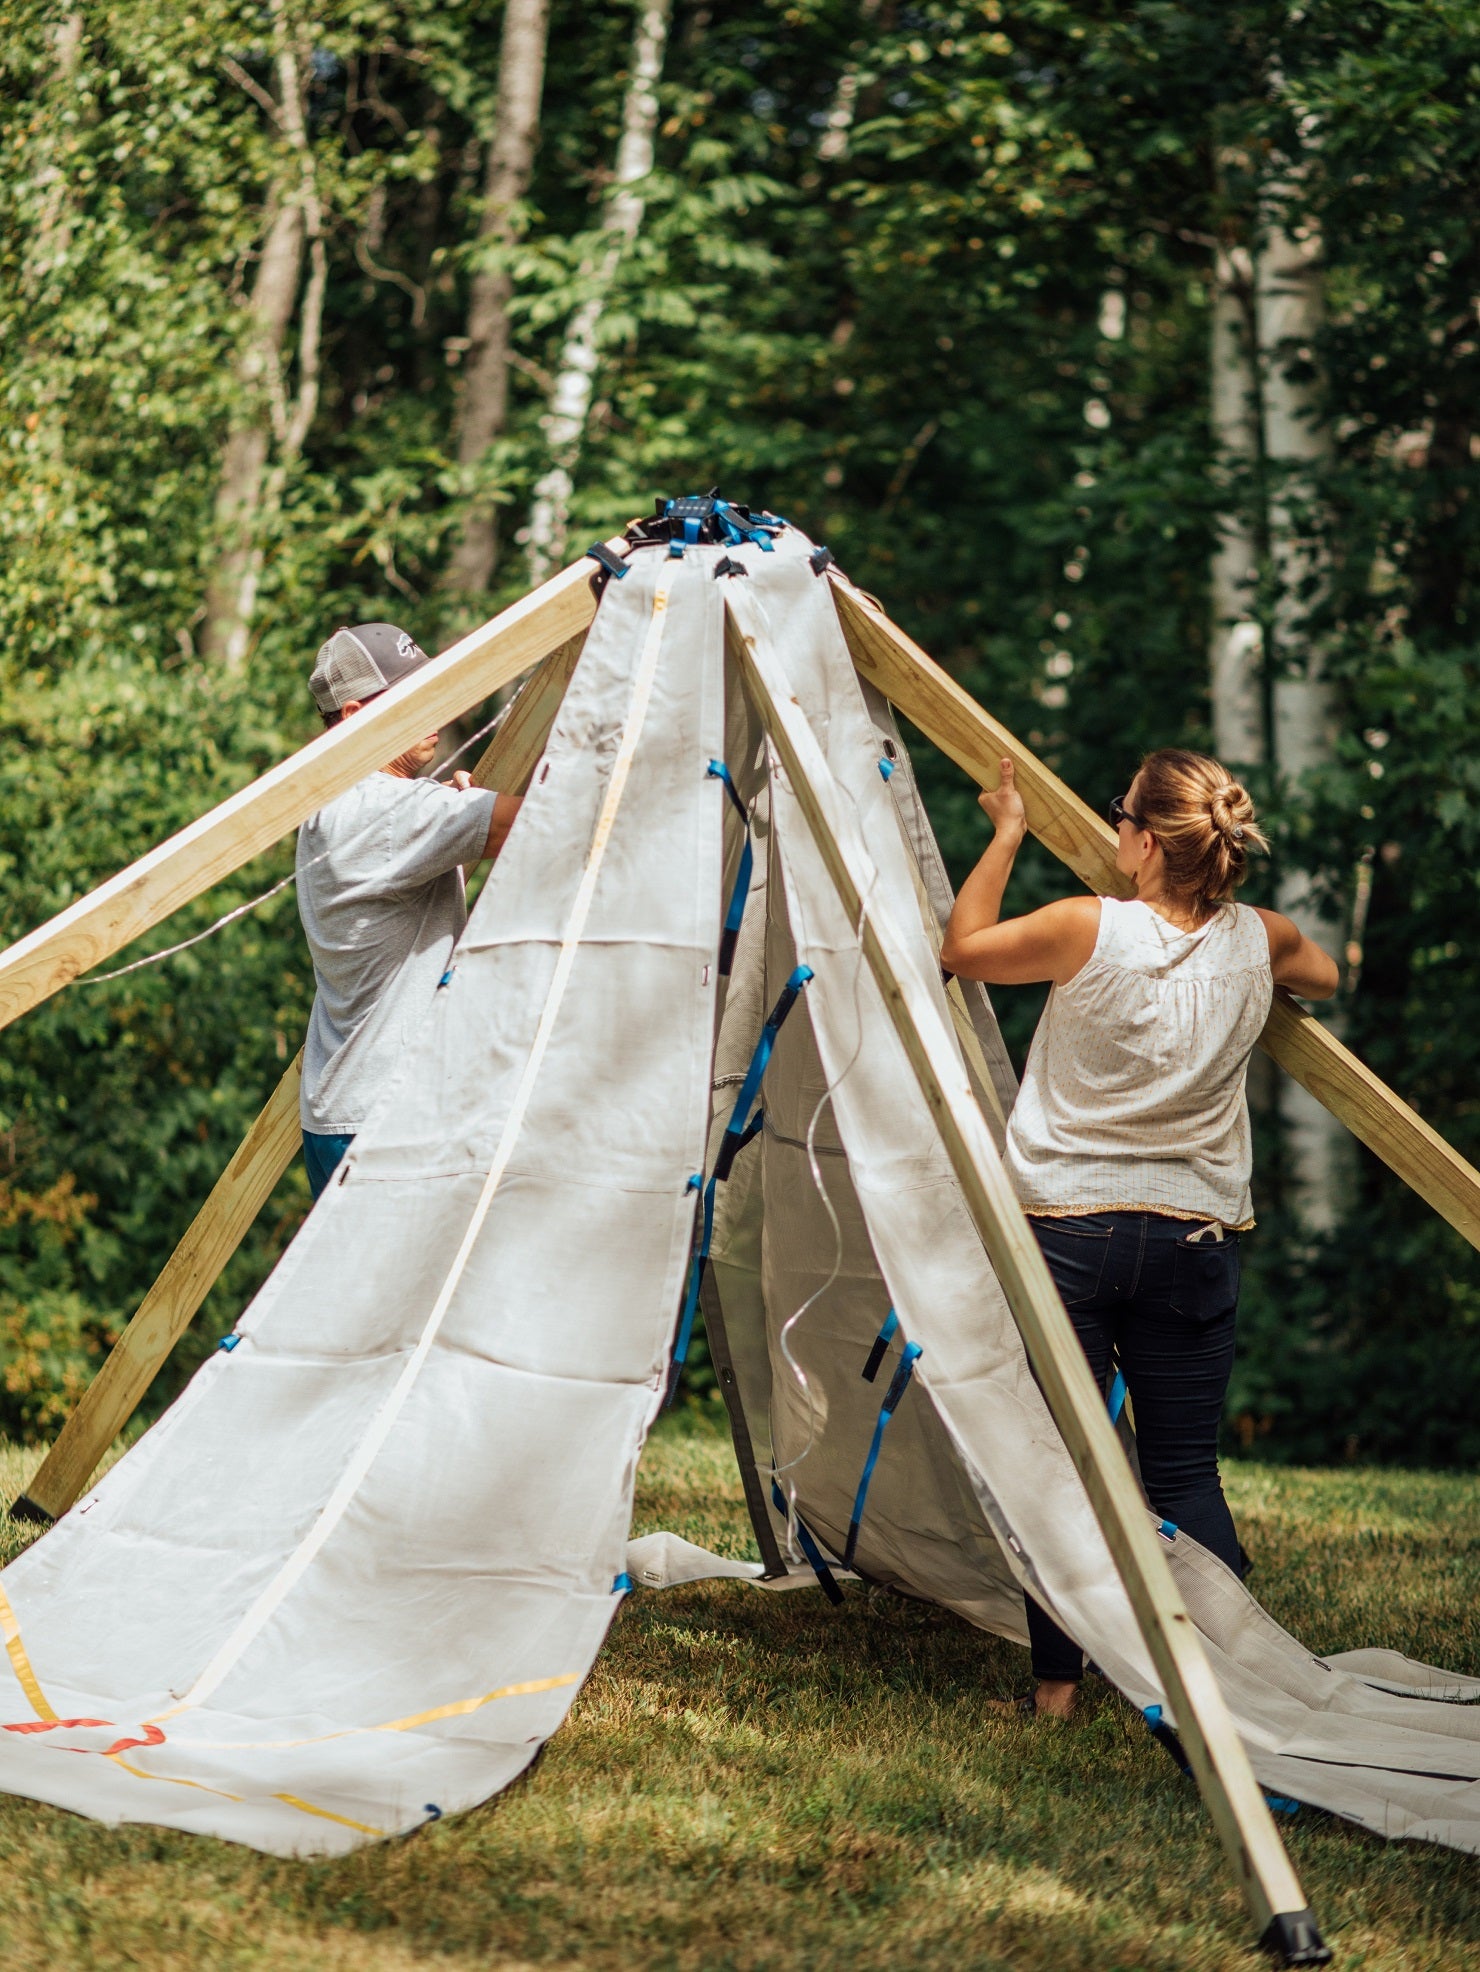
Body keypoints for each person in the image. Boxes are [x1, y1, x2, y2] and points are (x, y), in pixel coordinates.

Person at [940, 747, 1339, 1719]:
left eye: (1120, 814)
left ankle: (1056, 1692)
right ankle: (1235, 1684)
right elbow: (1325, 977)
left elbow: (962, 947)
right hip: (1193, 1238)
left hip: (1068, 1232)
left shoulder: (1085, 928)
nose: (1112, 826)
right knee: (1184, 1473)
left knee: (1069, 1469)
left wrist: (1007, 832)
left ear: (1147, 841)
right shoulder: (1262, 939)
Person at [297, 622, 521, 1199]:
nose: (435, 710)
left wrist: (454, 814)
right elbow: (541, 820)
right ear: (355, 716)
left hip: (345, 1112)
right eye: (410, 699)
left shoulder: (331, 802)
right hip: (383, 1125)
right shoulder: (381, 811)